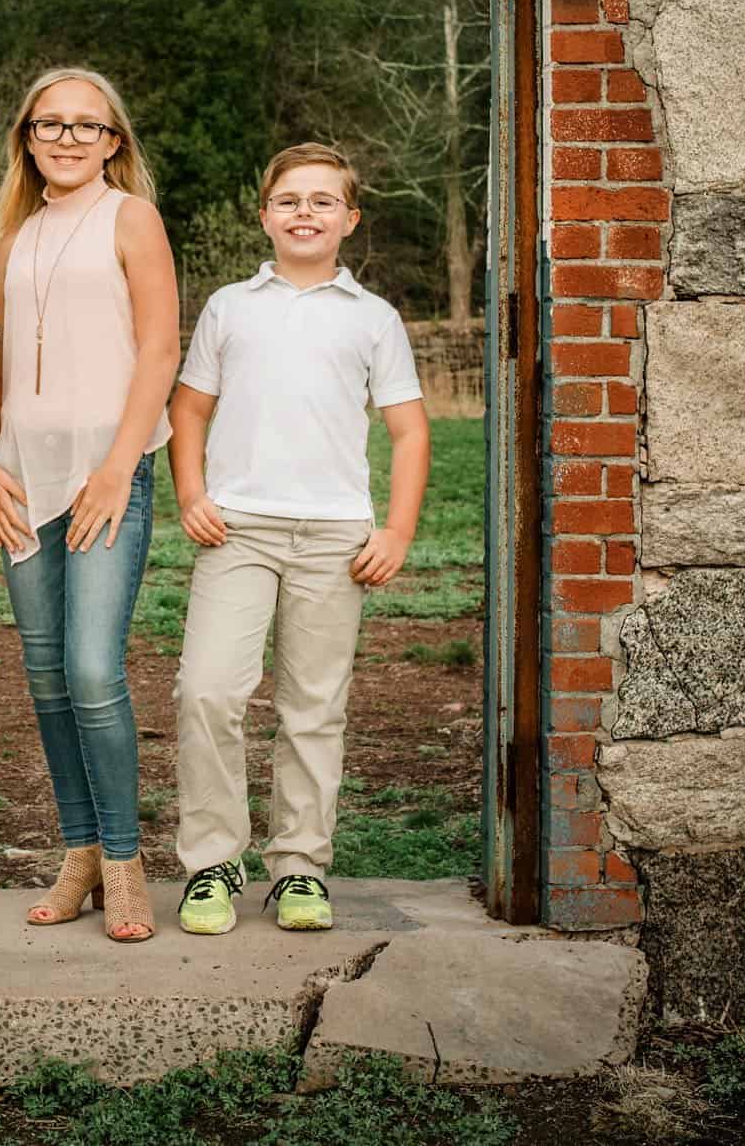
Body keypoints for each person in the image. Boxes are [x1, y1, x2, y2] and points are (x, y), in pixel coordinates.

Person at [167, 143, 430, 935]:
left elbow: (409, 432)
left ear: (351, 218)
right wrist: (191, 492)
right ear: (265, 214)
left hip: (334, 537)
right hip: (237, 528)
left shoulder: (373, 319)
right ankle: (213, 861)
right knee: (207, 689)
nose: (305, 212)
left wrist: (397, 529)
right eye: (289, 199)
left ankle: (299, 869)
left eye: (322, 200)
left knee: (313, 706)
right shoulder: (229, 306)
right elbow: (188, 409)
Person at [0, 68, 178, 943]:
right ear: (25, 136)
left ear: (112, 141)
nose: (64, 138)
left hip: (107, 476)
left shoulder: (130, 219)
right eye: (48, 124)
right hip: (25, 477)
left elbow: (162, 345)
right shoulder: (12, 237)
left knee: (95, 672)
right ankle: (80, 849)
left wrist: (116, 467)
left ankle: (126, 861)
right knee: (49, 679)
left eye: (83, 126)